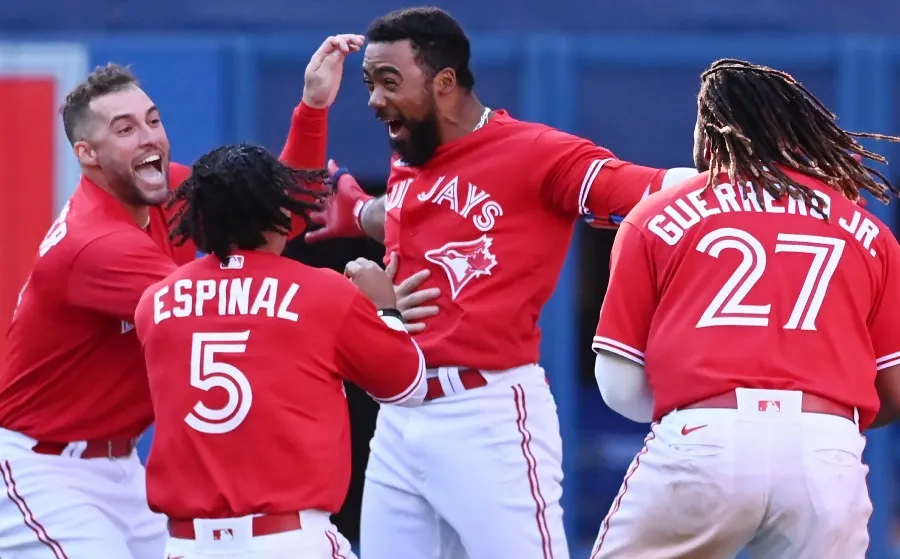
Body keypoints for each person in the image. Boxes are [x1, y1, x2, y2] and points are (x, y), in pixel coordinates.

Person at [304, 7, 698, 558]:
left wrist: (750, 184)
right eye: (370, 84)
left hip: (486, 413)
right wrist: (364, 213)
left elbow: (661, 189)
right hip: (398, 416)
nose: (374, 100)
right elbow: (412, 210)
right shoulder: (411, 158)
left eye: (389, 82)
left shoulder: (536, 153)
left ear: (444, 83)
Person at [0, 34, 361, 558]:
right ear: (87, 154)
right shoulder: (93, 245)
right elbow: (224, 313)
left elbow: (274, 212)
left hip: (120, 469)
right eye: (124, 130)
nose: (149, 138)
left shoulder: (168, 190)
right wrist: (349, 301)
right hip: (42, 471)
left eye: (152, 119)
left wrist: (312, 106)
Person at [589, 59, 900, 559]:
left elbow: (618, 382)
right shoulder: (869, 232)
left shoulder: (657, 214)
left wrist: (707, 410)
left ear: (711, 138)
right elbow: (893, 390)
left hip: (705, 438)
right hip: (827, 450)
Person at [133, 143, 426, 559]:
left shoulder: (154, 302)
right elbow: (407, 386)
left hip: (186, 545)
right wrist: (386, 309)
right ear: (282, 213)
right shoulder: (325, 292)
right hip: (290, 541)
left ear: (198, 218)